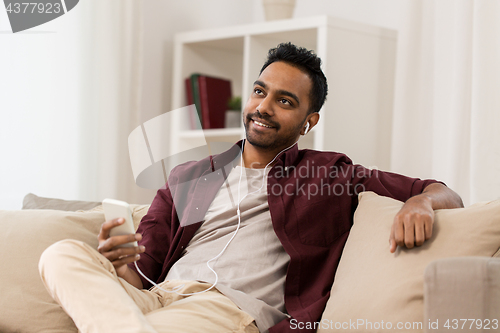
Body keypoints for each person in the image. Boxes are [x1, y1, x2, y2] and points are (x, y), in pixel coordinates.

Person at [39, 42, 463, 333]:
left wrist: (423, 203)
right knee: (61, 254)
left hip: (225, 311)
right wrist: (120, 262)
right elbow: (140, 277)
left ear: (308, 122)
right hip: (156, 300)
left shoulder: (332, 174)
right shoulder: (188, 177)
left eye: (284, 100)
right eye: (260, 92)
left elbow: (443, 191)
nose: (262, 107)